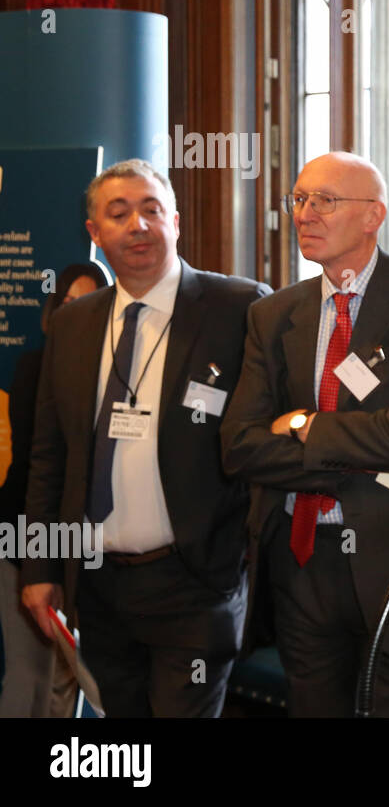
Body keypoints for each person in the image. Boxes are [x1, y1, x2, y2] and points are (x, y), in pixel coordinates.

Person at [221, 151, 389, 717]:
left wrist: (300, 426)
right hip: (301, 560)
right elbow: (239, 446)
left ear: (373, 217)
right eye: (298, 199)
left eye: (325, 200)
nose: (304, 214)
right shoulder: (274, 314)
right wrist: (355, 456)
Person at [20, 159, 270, 716]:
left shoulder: (238, 306)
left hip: (196, 582)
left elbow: (266, 437)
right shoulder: (73, 323)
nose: (138, 225)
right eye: (119, 213)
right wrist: (39, 567)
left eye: (152, 210)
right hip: (98, 585)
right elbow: (48, 457)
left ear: (175, 222)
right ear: (95, 234)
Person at [0, 263, 106, 717]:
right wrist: (37, 561)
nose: (78, 313)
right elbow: (35, 469)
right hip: (25, 537)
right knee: (32, 674)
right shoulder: (36, 368)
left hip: (90, 547)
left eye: (90, 303)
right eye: (68, 303)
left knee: (74, 680)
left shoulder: (119, 372)